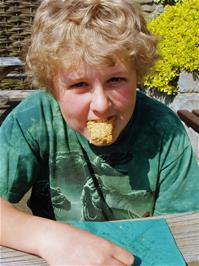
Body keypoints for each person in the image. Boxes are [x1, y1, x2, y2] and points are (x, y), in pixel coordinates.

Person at [0, 0, 198, 265]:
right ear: (52, 87)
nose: (101, 105)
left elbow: (184, 230)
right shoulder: (34, 120)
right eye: (79, 84)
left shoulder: (164, 131)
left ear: (137, 74)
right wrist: (47, 237)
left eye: (115, 79)